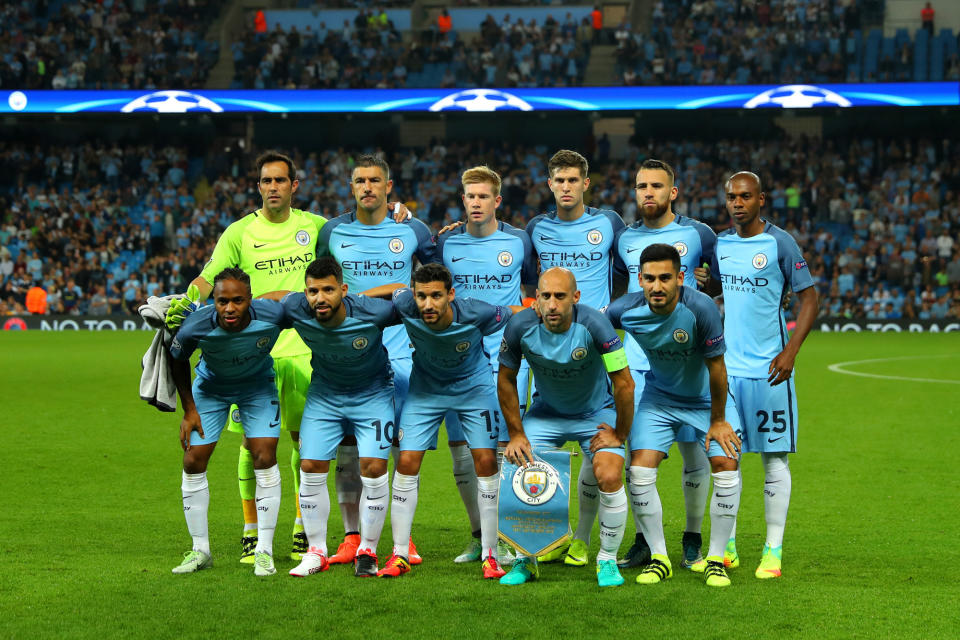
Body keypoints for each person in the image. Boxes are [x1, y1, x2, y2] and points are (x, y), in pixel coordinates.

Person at [170, 151, 325, 565]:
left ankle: (298, 527)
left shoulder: (315, 227)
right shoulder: (240, 232)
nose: (272, 187)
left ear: (295, 185)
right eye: (265, 181)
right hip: (253, 352)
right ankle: (250, 530)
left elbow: (349, 245)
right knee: (251, 444)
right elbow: (208, 277)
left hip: (306, 349)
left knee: (301, 442)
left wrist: (398, 217)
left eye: (280, 180)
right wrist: (185, 302)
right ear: (258, 187)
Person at [317, 154, 435, 565]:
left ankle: (404, 537)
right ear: (351, 187)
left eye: (375, 180)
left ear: (389, 186)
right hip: (347, 355)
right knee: (349, 449)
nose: (367, 187)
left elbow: (434, 274)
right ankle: (353, 537)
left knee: (403, 449)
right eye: (359, 180)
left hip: (402, 352)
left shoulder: (413, 229)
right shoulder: (332, 230)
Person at [605, 244, 743, 588]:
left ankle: (714, 558)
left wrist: (718, 420)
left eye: (665, 278)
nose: (657, 286)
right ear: (639, 280)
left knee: (726, 464)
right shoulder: (624, 310)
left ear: (680, 278)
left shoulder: (701, 308)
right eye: (649, 278)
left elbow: (717, 369)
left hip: (704, 401)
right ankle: (660, 557)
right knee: (638, 471)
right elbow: (590, 331)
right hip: (659, 398)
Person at [380, 264, 521, 580]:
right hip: (426, 389)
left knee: (485, 460)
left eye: (435, 296)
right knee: (407, 460)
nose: (428, 305)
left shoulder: (476, 312)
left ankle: (491, 555)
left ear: (451, 295)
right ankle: (400, 553)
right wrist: (356, 297)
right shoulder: (406, 303)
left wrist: (537, 307)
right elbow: (393, 290)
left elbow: (511, 312)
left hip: (473, 387)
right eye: (422, 296)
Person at [613, 159, 719, 572]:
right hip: (637, 365)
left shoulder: (698, 234)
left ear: (672, 192)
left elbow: (719, 280)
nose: (648, 193)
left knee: (695, 454)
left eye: (657, 186)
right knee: (639, 458)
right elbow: (624, 290)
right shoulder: (623, 238)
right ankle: (644, 542)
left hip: (688, 366)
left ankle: (692, 538)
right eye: (641, 186)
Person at [498, 267, 635, 587]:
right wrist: (516, 433)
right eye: (545, 296)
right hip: (547, 414)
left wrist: (620, 434)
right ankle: (524, 560)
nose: (552, 304)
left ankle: (607, 560)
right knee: (519, 464)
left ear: (576, 297)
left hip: (595, 414)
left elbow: (624, 384)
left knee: (610, 474)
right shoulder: (520, 326)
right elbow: (505, 379)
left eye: (560, 296)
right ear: (536, 300)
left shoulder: (595, 325)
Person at [712, 171, 818, 579]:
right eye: (731, 197)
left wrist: (790, 350)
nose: (737, 203)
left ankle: (772, 551)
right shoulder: (720, 244)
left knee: (773, 461)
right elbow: (715, 292)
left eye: (745, 196)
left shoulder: (780, 243)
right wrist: (707, 283)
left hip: (771, 371)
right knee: (726, 460)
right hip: (727, 373)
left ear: (761, 200)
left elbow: (810, 299)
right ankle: (730, 546)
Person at [268, 258, 399, 578]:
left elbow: (402, 293)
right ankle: (316, 552)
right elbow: (273, 297)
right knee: (310, 465)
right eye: (313, 291)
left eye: (328, 290)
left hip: (373, 395)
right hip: (325, 396)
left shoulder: (372, 311)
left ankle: (367, 550)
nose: (320, 298)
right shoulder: (296, 308)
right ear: (305, 292)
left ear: (343, 289)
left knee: (374, 467)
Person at [526, 149, 626, 567]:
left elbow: (631, 266)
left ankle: (584, 540)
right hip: (551, 348)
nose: (565, 187)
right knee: (536, 456)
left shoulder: (609, 224)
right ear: (549, 185)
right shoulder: (535, 229)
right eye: (558, 180)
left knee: (597, 446)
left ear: (586, 184)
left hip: (597, 349)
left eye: (573, 180)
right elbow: (525, 280)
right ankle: (546, 539)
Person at [436, 166, 537, 564]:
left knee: (504, 446)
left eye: (483, 197)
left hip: (507, 357)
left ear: (497, 201)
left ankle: (509, 541)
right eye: (469, 197)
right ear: (462, 201)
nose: (476, 203)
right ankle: (480, 536)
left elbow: (533, 295)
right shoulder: (444, 244)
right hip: (457, 357)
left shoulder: (519, 241)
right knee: (462, 448)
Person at [168, 269, 287, 576]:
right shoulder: (196, 325)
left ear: (250, 299)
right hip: (211, 388)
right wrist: (189, 410)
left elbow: (300, 308)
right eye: (222, 301)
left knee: (264, 455)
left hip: (257, 386)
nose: (229, 308)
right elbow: (177, 359)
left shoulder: (272, 314)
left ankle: (264, 551)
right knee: (193, 459)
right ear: (214, 301)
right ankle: (200, 550)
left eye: (237, 300)